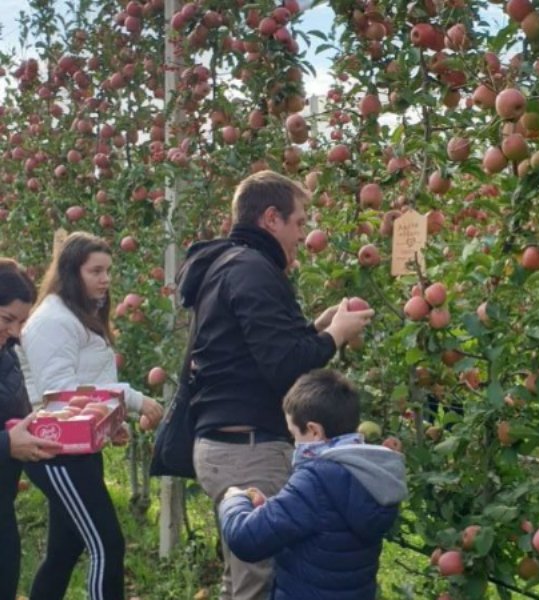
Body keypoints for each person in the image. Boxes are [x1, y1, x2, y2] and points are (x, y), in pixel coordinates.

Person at [178, 170, 374, 599]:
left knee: (241, 579)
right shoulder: (253, 269)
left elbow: (255, 352)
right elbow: (285, 368)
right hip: (248, 451)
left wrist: (315, 329)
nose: (302, 234)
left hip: (223, 445)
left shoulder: (227, 264)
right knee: (258, 583)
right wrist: (333, 337)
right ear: (271, 218)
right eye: (299, 222)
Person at [18, 232, 164, 600]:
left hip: (72, 447)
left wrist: (106, 425)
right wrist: (131, 400)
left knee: (64, 552)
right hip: (56, 450)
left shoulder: (76, 314)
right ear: (71, 272)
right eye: (95, 271)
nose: (105, 279)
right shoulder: (53, 320)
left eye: (108, 271)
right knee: (107, 544)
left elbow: (89, 383)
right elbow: (61, 395)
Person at [219, 369, 407, 600]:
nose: (294, 443)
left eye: (294, 434)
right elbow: (326, 524)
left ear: (314, 431)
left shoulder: (316, 479)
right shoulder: (370, 473)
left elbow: (246, 539)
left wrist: (234, 500)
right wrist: (272, 507)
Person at [0, 259, 62, 600]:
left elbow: (19, 419)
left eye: (21, 322)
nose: (14, 331)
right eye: (7, 318)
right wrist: (7, 443)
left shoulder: (8, 358)